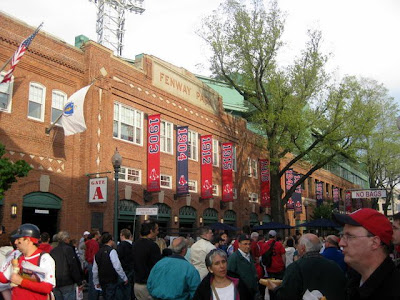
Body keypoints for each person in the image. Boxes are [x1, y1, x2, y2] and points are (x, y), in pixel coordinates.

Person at [333, 208, 400, 299]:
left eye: (349, 236)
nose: (341, 243)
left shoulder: (393, 289)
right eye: (342, 236)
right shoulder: (353, 283)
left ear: (375, 243)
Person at [267, 233, 346, 300]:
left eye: (298, 244)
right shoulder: (334, 266)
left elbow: (286, 295)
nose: (297, 247)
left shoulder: (296, 268)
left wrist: (274, 289)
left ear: (303, 248)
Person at [0, 223, 56, 300]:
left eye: (19, 239)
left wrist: (21, 281)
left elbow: (47, 287)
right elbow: (3, 278)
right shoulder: (16, 254)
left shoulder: (44, 258)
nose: (15, 242)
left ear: (28, 240)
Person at [132, 220, 161, 300]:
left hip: (136, 284)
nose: (158, 232)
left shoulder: (135, 244)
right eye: (157, 229)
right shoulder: (153, 246)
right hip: (148, 285)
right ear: (151, 231)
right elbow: (157, 267)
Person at [92, 233, 128, 300]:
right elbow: (117, 266)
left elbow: (95, 269)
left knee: (105, 296)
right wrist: (124, 277)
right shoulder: (112, 251)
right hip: (111, 279)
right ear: (110, 240)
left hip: (102, 279)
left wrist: (96, 281)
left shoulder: (98, 253)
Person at [50, 231, 84, 300]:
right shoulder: (69, 249)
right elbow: (73, 266)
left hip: (56, 281)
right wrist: (79, 281)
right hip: (67, 281)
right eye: (68, 239)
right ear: (65, 239)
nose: (69, 240)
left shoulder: (53, 251)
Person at [227, 234, 259, 299]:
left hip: (252, 291)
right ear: (239, 244)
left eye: (249, 244)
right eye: (245, 244)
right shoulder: (234, 257)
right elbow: (229, 275)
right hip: (240, 292)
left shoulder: (249, 256)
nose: (248, 246)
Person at [117, 228, 134, 300]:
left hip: (123, 270)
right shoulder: (134, 245)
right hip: (132, 270)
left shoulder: (121, 245)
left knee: (121, 290)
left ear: (122, 235)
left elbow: (118, 259)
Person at [86, 230, 101, 300]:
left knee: (91, 283)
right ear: (95, 235)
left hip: (89, 263)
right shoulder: (95, 244)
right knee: (94, 283)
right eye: (98, 234)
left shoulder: (88, 243)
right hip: (93, 264)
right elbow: (95, 256)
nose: (99, 235)